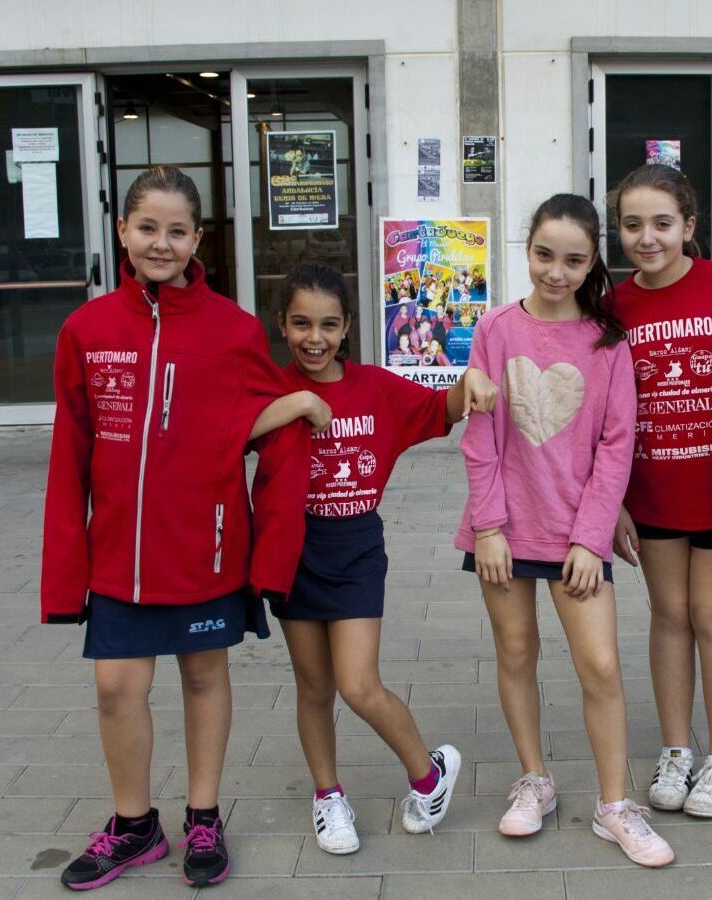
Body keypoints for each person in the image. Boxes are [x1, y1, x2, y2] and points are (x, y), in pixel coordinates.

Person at [41, 165, 326, 890]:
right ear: (122, 232)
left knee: (204, 676)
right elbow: (69, 452)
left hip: (206, 547)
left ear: (198, 238)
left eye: (176, 231)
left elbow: (250, 422)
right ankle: (134, 827)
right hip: (118, 556)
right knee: (115, 688)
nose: (161, 243)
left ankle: (203, 814)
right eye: (148, 228)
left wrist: (293, 406)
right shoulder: (86, 329)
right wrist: (64, 568)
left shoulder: (232, 329)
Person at [457, 194, 672, 867]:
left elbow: (616, 445)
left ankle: (614, 805)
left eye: (573, 260)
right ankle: (534, 781)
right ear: (527, 249)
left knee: (600, 666)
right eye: (544, 255)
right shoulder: (494, 329)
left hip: (573, 532)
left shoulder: (608, 341)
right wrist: (488, 526)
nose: (556, 272)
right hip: (502, 530)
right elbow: (480, 437)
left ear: (591, 264)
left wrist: (588, 537)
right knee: (517, 655)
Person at [272, 263, 498, 855]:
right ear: (283, 325)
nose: (313, 338)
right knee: (314, 686)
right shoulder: (270, 389)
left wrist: (471, 381)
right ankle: (327, 797)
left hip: (355, 554)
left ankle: (428, 775)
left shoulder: (374, 388)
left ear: (347, 326)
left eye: (327, 324)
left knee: (357, 684)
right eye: (300, 324)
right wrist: (294, 402)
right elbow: (226, 431)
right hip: (292, 555)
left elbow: (441, 408)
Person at [608, 164, 712, 817]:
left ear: (689, 227)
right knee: (669, 616)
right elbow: (600, 413)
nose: (647, 237)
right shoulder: (613, 307)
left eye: (662, 223)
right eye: (633, 224)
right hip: (653, 492)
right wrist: (610, 502)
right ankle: (677, 749)